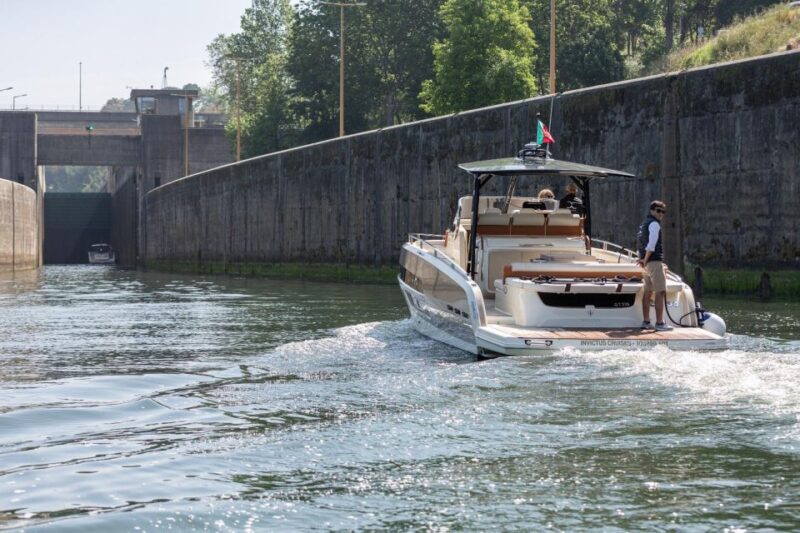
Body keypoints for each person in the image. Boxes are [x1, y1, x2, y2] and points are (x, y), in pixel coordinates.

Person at [637, 200, 672, 331]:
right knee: (660, 291)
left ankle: (646, 321)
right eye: (658, 211)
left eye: (663, 212)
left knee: (647, 292)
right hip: (653, 262)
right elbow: (651, 245)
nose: (661, 214)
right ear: (652, 210)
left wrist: (642, 260)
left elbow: (641, 244)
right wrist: (646, 260)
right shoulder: (654, 225)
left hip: (645, 264)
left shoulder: (643, 225)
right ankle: (659, 323)